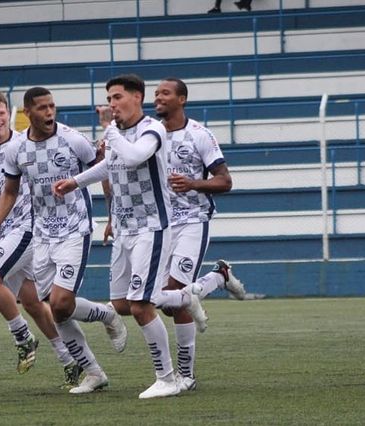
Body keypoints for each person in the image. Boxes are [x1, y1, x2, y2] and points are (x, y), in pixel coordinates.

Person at [53, 74, 198, 399]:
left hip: (152, 228)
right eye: (110, 97)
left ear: (136, 97)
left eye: (117, 97)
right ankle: (187, 297)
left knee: (140, 305)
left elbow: (134, 156)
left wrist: (111, 131)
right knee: (120, 304)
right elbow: (112, 165)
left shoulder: (152, 129)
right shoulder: (119, 134)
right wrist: (75, 181)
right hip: (124, 229)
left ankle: (167, 377)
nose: (112, 103)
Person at [0, 87, 127, 395]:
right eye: (42, 108)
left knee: (60, 303)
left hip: (75, 229)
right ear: (27, 113)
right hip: (42, 235)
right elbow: (9, 191)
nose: (49, 113)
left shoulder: (72, 139)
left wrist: (113, 217)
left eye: (52, 106)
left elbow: (105, 172)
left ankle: (107, 314)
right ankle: (93, 372)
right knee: (57, 310)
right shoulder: (16, 149)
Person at [0, 89, 84, 388]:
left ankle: (22, 337)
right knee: (33, 303)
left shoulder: (24, 144)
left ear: (10, 113)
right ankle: (70, 360)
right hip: (5, 232)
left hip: (27, 227)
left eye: (1, 113)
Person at [153, 77, 246, 391]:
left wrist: (194, 183)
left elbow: (225, 181)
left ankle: (186, 376)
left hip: (193, 221)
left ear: (181, 99)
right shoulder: (149, 135)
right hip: (160, 225)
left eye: (165, 93)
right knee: (170, 301)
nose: (158, 98)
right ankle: (218, 278)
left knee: (172, 295)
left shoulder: (199, 135)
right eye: (155, 93)